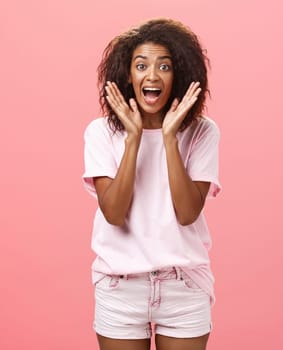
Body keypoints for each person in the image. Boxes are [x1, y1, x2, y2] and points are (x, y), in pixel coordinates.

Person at [82, 18, 220, 350]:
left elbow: (187, 213)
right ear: (128, 75)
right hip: (121, 287)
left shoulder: (203, 131)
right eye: (141, 65)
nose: (152, 75)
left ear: (181, 75)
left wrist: (170, 139)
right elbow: (114, 213)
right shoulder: (101, 133)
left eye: (165, 66)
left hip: (183, 286)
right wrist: (134, 139)